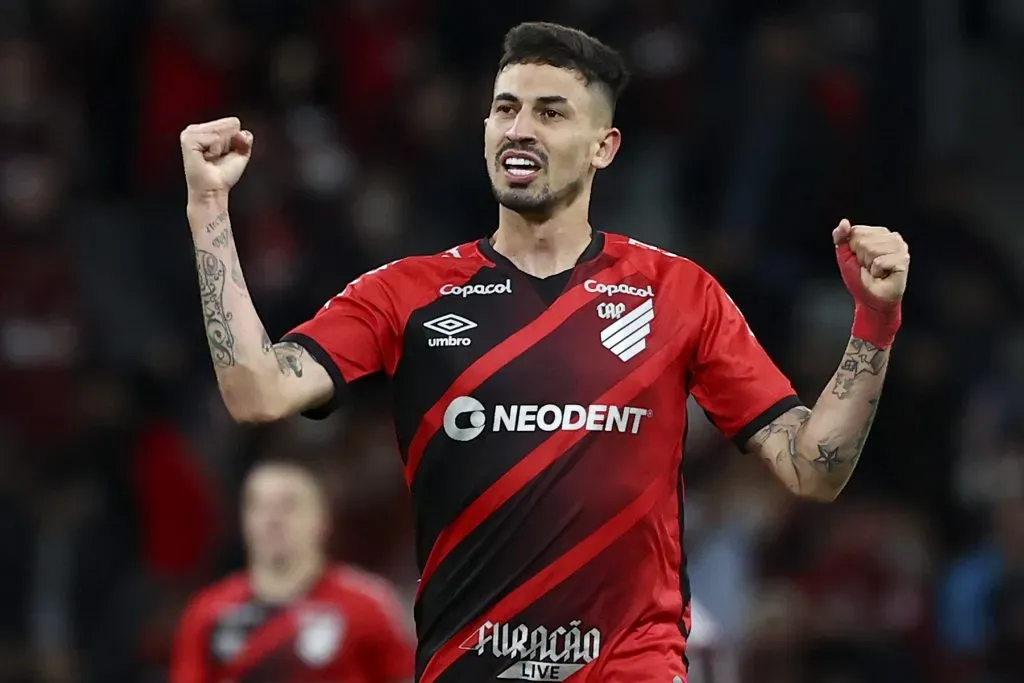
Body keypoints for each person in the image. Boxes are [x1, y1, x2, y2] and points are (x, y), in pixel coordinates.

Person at [178, 20, 910, 683]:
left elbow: (814, 468)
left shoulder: (679, 293)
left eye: (550, 112)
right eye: (505, 108)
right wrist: (209, 212)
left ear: (604, 147)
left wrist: (874, 321)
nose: (518, 129)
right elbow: (257, 390)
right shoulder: (408, 294)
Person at [169, 457, 415, 683]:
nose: (272, 518)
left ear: (322, 520)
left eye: (288, 505)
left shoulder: (367, 606)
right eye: (259, 506)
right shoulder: (208, 612)